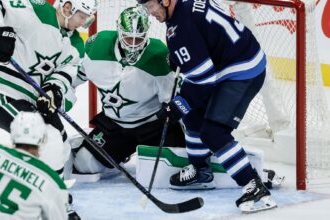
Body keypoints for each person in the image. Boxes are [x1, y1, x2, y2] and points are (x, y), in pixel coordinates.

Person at [137, 0, 276, 212]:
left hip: (243, 70)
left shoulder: (182, 27)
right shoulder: (183, 7)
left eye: (150, 6)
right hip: (229, 60)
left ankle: (254, 186)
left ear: (165, 0)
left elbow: (203, 80)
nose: (150, 13)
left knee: (213, 132)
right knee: (192, 116)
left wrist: (178, 106)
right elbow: (202, 39)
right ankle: (201, 171)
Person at [0, 0, 97, 175]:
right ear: (67, 7)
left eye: (87, 18)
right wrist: (0, 31)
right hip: (4, 93)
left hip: (31, 101)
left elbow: (63, 75)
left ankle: (54, 189)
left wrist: (53, 91)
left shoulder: (76, 45)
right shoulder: (38, 10)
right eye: (82, 16)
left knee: (60, 142)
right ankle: (37, 190)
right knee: (42, 137)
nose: (84, 23)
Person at [68, 6, 185, 178]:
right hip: (115, 127)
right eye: (128, 38)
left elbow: (177, 103)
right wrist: (57, 95)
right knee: (84, 164)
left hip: (153, 127)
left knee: (172, 172)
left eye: (138, 40)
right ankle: (114, 150)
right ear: (119, 31)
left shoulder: (159, 57)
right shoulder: (97, 47)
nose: (132, 45)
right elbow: (71, 78)